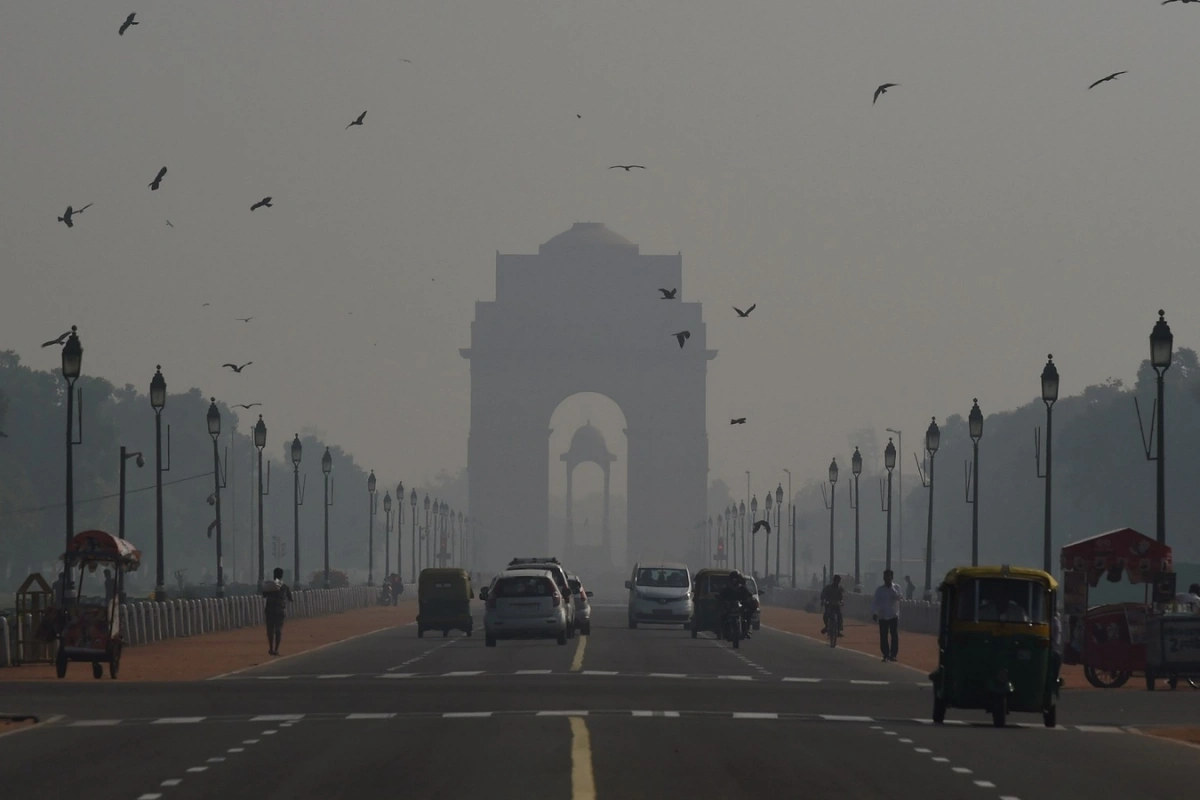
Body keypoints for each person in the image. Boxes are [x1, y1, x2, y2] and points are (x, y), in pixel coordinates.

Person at [871, 570, 902, 662]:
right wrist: (874, 613)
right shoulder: (880, 589)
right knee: (883, 636)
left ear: (892, 577)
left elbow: (898, 597)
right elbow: (875, 602)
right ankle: (885, 654)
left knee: (894, 636)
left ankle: (893, 655)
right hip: (883, 615)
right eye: (885, 577)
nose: (887, 578)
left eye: (888, 576)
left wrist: (891, 588)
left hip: (893, 615)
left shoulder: (896, 587)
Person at [262, 567, 293, 656]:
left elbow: (264, 595)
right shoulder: (284, 586)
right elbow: (290, 598)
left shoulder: (269, 585)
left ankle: (271, 648)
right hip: (280, 610)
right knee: (278, 629)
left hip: (269, 609)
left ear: (274, 575)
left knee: (270, 630)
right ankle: (276, 649)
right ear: (282, 576)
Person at [718, 570, 757, 639]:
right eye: (733, 578)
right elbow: (722, 595)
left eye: (736, 578)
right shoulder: (727, 589)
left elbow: (748, 595)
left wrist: (749, 599)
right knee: (722, 615)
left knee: (747, 615)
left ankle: (747, 630)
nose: (734, 580)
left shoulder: (742, 588)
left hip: (740, 607)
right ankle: (722, 631)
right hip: (730, 608)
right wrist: (721, 598)